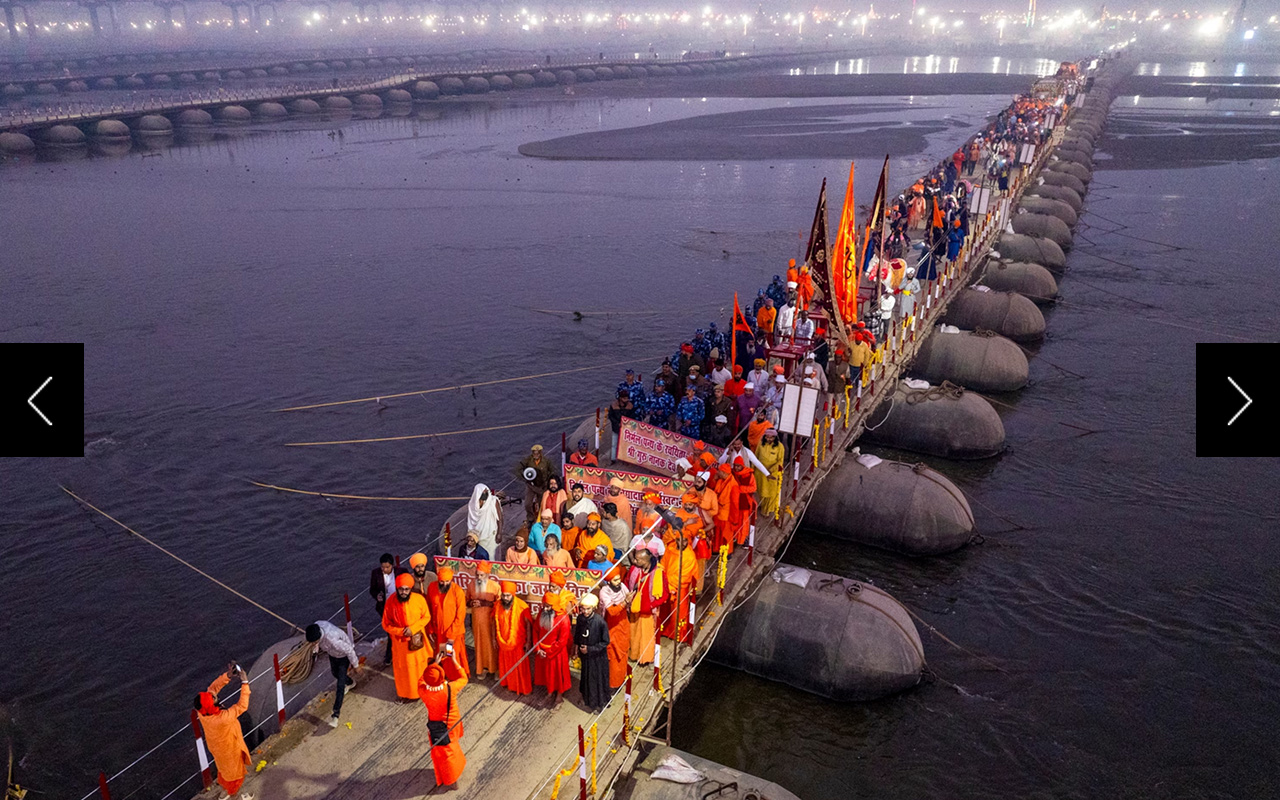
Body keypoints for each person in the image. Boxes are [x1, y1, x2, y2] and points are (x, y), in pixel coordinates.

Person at [195, 665, 254, 800]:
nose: (212, 695)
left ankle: (225, 794)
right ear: (212, 705)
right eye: (212, 698)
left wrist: (227, 675)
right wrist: (245, 682)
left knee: (224, 772)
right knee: (236, 777)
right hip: (230, 749)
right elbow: (242, 706)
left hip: (217, 749)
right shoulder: (223, 718)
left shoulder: (203, 713)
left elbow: (213, 688)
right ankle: (236, 796)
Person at [418, 650, 468, 788]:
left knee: (446, 753)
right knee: (452, 749)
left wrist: (433, 665)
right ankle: (453, 778)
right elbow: (464, 678)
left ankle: (450, 778)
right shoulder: (450, 689)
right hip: (453, 723)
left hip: (437, 727)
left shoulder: (423, 692)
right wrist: (454, 661)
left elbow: (421, 680)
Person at [382, 573, 433, 701]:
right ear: (397, 588)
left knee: (421, 668)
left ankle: (424, 690)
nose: (403, 592)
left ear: (410, 589)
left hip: (417, 642)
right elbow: (385, 624)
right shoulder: (390, 603)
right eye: (401, 589)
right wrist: (401, 632)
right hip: (401, 646)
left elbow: (426, 617)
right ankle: (408, 694)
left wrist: (413, 629)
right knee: (405, 673)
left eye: (406, 589)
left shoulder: (419, 599)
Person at [305, 621, 360, 728]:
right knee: (334, 673)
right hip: (332, 654)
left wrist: (356, 665)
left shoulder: (333, 640)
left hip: (342, 656)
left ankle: (335, 715)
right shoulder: (317, 627)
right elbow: (317, 643)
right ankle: (351, 682)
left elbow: (349, 650)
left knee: (340, 684)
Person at [625, 548, 666, 666]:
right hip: (634, 608)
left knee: (647, 636)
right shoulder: (634, 569)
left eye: (637, 559)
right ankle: (633, 655)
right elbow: (628, 582)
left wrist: (652, 605)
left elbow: (664, 593)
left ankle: (646, 658)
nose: (634, 561)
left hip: (649, 611)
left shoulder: (659, 572)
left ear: (645, 560)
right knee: (633, 633)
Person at [427, 567, 470, 676]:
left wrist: (451, 635)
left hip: (453, 633)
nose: (445, 584)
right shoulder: (432, 587)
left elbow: (460, 616)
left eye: (447, 581)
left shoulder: (458, 591)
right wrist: (430, 628)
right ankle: (444, 674)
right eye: (442, 581)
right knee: (442, 654)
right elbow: (429, 609)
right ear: (438, 580)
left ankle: (457, 677)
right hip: (439, 631)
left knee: (452, 655)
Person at [575, 593, 611, 712]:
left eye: (588, 609)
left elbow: (605, 642)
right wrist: (576, 650)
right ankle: (588, 700)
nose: (585, 611)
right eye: (583, 609)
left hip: (598, 658)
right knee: (586, 679)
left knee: (598, 681)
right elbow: (577, 636)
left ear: (594, 608)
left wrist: (590, 649)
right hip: (586, 657)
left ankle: (599, 704)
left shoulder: (600, 622)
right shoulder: (580, 619)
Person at [495, 581, 533, 694]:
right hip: (503, 643)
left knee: (520, 667)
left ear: (513, 595)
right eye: (503, 595)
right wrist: (494, 638)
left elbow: (528, 625)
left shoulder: (522, 606)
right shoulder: (497, 605)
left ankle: (524, 690)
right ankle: (511, 686)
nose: (505, 598)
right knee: (507, 665)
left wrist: (528, 642)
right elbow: (494, 622)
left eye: (508, 595)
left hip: (518, 642)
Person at [660, 534, 699, 644]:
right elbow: (663, 563)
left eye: (685, 540)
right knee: (664, 610)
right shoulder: (670, 549)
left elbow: (685, 577)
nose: (682, 543)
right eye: (679, 540)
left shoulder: (689, 556)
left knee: (678, 613)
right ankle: (664, 631)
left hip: (679, 588)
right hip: (666, 584)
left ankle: (679, 635)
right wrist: (663, 579)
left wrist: (667, 581)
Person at [534, 593, 572, 699]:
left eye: (548, 606)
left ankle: (559, 698)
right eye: (544, 605)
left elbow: (562, 641)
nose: (545, 609)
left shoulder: (563, 619)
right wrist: (538, 649)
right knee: (547, 676)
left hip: (556, 653)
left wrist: (548, 652)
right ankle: (549, 693)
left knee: (558, 677)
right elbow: (535, 630)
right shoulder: (541, 613)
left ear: (554, 606)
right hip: (542, 652)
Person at [368, 553, 403, 663]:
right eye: (383, 567)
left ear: (392, 565)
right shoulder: (376, 573)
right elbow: (372, 589)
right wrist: (377, 596)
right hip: (385, 607)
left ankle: (395, 652)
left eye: (387, 567)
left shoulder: (401, 572)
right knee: (390, 631)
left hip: (400, 606)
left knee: (400, 628)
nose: (384, 569)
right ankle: (390, 655)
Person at [599, 568, 630, 689]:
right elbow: (611, 611)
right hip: (611, 626)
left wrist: (630, 599)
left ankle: (622, 678)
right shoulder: (604, 591)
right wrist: (624, 603)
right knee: (612, 655)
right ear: (609, 581)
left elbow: (628, 596)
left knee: (622, 653)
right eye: (615, 580)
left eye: (619, 578)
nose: (619, 582)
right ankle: (613, 684)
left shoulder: (622, 586)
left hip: (623, 624)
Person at [468, 562, 500, 679]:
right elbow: (467, 601)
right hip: (477, 622)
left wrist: (486, 603)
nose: (479, 578)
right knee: (479, 645)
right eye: (477, 575)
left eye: (482, 575)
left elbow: (501, 604)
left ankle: (496, 669)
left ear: (487, 575)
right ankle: (483, 668)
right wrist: (472, 603)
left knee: (493, 645)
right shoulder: (471, 585)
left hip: (490, 622)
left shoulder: (495, 586)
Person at [516, 444, 553, 525]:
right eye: (534, 453)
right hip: (531, 486)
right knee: (527, 504)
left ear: (540, 453)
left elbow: (552, 471)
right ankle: (530, 518)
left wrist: (549, 482)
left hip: (542, 487)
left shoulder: (546, 461)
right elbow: (518, 468)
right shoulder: (528, 460)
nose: (536, 455)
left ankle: (541, 519)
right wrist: (524, 477)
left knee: (541, 505)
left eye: (538, 453)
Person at [754, 428, 786, 518]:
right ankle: (761, 505)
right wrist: (753, 469)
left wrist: (770, 469)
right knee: (760, 491)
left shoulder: (780, 447)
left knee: (769, 493)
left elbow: (780, 461)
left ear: (775, 438)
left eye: (771, 438)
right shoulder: (761, 444)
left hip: (772, 474)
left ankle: (766, 511)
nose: (769, 439)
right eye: (767, 437)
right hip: (760, 472)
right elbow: (756, 457)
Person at [467, 484, 503, 557]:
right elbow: (471, 520)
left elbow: (500, 518)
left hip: (490, 536)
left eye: (486, 491)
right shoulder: (472, 505)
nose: (486, 494)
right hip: (477, 536)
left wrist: (499, 533)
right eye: (483, 492)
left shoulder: (493, 501)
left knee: (491, 556)